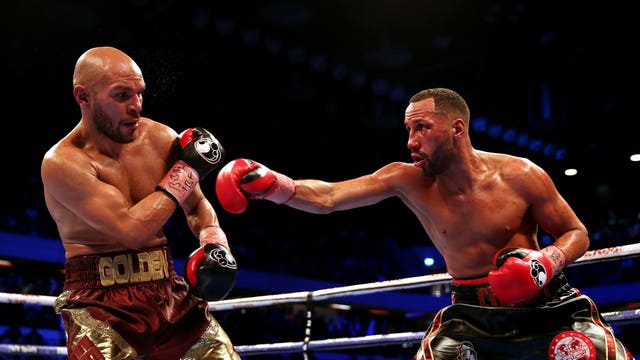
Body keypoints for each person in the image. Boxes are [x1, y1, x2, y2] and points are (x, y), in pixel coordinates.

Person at [214, 88, 635, 359]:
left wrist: (545, 262)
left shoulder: (520, 175)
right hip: (471, 315)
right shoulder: (407, 179)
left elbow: (577, 232)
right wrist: (273, 185)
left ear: (456, 128)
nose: (411, 141)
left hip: (547, 308)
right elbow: (328, 197)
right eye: (408, 129)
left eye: (421, 128)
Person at [41, 46, 241, 359]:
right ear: (83, 97)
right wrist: (187, 171)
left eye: (139, 93)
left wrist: (215, 244)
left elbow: (197, 207)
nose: (136, 106)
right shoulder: (63, 163)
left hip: (170, 294)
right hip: (99, 304)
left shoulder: (161, 138)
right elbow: (131, 230)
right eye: (121, 95)